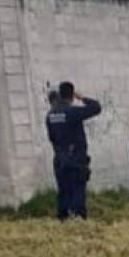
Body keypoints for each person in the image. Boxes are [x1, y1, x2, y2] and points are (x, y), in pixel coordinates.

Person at [46, 82, 102, 220]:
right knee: (78, 191)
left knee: (63, 192)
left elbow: (51, 138)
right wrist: (82, 97)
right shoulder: (72, 112)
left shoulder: (50, 115)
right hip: (75, 159)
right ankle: (78, 220)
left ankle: (63, 219)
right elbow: (96, 107)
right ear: (72, 95)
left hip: (60, 158)